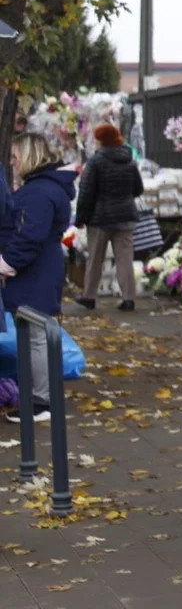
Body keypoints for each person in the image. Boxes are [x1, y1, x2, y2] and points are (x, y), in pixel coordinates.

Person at [0, 134, 77, 423]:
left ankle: (40, 401)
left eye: (15, 156)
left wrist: (5, 263)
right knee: (35, 336)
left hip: (35, 273)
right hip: (39, 271)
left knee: (35, 338)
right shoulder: (44, 188)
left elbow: (29, 236)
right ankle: (40, 397)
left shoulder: (39, 192)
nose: (12, 162)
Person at [74, 124, 144, 312]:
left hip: (100, 218)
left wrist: (80, 218)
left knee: (95, 258)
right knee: (125, 259)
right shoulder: (130, 160)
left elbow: (86, 192)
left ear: (102, 141)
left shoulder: (96, 161)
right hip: (126, 216)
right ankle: (128, 298)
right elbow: (138, 189)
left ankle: (89, 296)